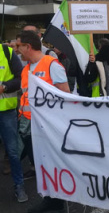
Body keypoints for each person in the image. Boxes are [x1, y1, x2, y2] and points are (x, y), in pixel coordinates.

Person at [16, 30, 70, 212]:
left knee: (53, 164)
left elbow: (65, 96)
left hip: (48, 129)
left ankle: (58, 202)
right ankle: (50, 198)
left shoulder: (51, 65)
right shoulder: (25, 70)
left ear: (28, 46)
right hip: (29, 129)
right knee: (41, 166)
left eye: (18, 46)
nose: (17, 50)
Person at [0, 43, 28, 202]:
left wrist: (5, 86)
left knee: (12, 151)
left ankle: (19, 186)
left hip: (6, 112)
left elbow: (21, 77)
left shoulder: (7, 52)